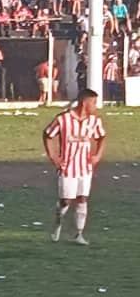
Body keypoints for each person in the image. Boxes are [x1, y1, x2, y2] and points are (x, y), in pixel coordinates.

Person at [43, 89, 106, 246]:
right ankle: (58, 222)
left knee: (82, 198)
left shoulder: (94, 121)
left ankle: (79, 234)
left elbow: (101, 137)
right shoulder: (63, 119)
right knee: (66, 201)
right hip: (67, 167)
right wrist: (53, 157)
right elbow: (47, 134)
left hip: (85, 167)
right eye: (94, 102)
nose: (95, 106)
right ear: (85, 102)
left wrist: (97, 155)